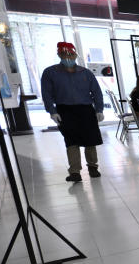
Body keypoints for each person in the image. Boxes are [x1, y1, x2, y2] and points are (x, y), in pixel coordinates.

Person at [40, 41, 104, 182]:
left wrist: (99, 109)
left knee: (90, 140)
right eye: (64, 54)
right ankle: (75, 171)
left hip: (86, 109)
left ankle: (93, 166)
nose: (68, 57)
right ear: (59, 55)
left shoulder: (85, 73)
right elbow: (47, 94)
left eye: (71, 54)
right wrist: (52, 111)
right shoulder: (50, 73)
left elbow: (97, 92)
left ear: (75, 55)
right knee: (71, 141)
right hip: (65, 110)